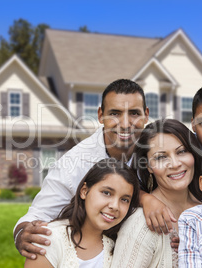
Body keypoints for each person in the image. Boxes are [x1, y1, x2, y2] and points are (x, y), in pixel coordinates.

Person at [14, 79, 176, 260]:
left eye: (134, 113)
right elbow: (38, 214)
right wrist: (22, 234)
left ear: (146, 115)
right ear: (100, 115)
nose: (124, 123)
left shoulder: (155, 149)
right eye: (114, 113)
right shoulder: (73, 164)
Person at [111, 119, 202, 268]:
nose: (175, 164)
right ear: (148, 166)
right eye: (161, 157)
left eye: (181, 151)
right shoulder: (141, 223)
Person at [24, 158, 140, 268]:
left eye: (124, 200)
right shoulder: (49, 239)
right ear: (84, 191)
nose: (115, 206)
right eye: (106, 193)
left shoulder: (118, 247)